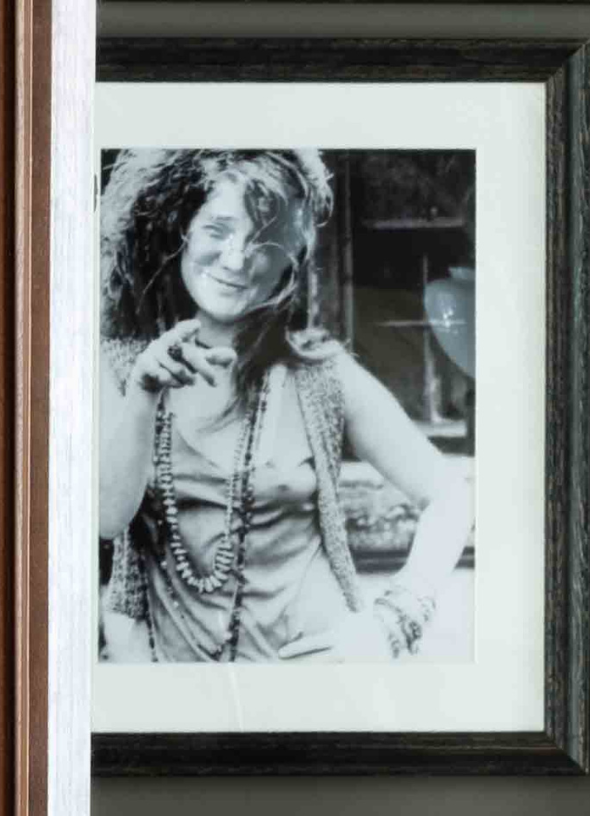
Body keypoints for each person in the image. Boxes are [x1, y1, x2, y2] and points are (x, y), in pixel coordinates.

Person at [98, 147, 473, 665]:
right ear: (179, 231)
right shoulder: (122, 369)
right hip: (186, 694)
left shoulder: (319, 374)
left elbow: (451, 495)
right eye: (217, 230)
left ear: (287, 262)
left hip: (316, 687)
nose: (236, 259)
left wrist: (395, 620)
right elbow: (105, 517)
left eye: (264, 240)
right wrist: (144, 393)